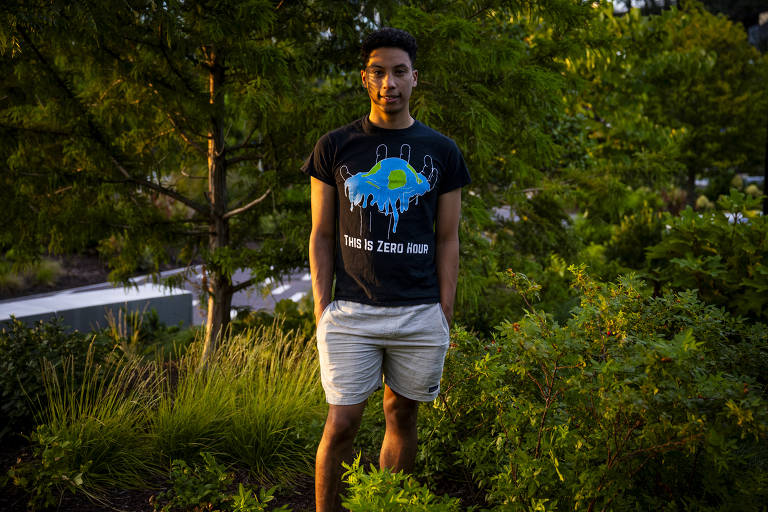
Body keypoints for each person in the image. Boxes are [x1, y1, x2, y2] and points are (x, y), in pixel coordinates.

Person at [301, 27, 470, 512]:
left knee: (401, 415)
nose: (389, 83)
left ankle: (386, 505)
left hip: (418, 312)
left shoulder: (442, 152)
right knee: (343, 421)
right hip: (351, 310)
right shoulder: (336, 147)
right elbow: (321, 234)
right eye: (379, 72)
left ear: (415, 78)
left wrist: (444, 309)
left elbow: (448, 238)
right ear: (364, 78)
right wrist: (321, 305)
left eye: (399, 72)